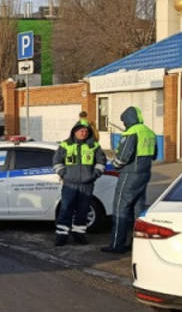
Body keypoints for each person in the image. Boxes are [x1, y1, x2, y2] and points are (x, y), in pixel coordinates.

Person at [103, 106, 157, 254]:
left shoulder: (131, 133)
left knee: (120, 208)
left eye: (124, 121)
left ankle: (116, 244)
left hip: (129, 174)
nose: (124, 124)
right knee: (138, 210)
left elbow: (122, 157)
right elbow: (154, 155)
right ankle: (138, 243)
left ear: (128, 119)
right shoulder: (150, 133)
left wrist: (114, 165)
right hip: (144, 173)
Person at [52, 122, 106, 246]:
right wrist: (64, 174)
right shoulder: (65, 145)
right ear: (74, 131)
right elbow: (56, 161)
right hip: (70, 184)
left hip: (87, 184)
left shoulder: (94, 146)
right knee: (66, 209)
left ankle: (79, 235)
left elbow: (101, 161)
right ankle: (61, 236)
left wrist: (94, 175)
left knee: (83, 210)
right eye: (81, 131)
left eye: (86, 131)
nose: (84, 133)